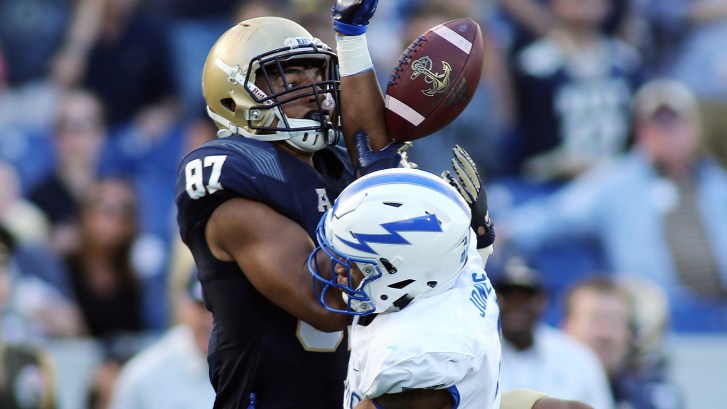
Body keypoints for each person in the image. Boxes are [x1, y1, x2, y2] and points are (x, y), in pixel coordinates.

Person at [174, 3, 403, 407]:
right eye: (290, 77)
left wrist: (350, 39)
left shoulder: (337, 163)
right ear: (235, 95)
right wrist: (402, 223)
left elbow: (371, 148)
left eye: (317, 74)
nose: (314, 91)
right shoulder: (234, 176)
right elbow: (329, 299)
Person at [495, 78, 727, 331]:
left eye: (673, 123)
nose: (665, 133)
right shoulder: (615, 183)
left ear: (694, 128)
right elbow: (556, 215)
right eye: (656, 123)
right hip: (656, 320)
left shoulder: (717, 183)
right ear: (640, 131)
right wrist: (505, 230)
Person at [308, 167, 501, 408]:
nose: (337, 269)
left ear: (396, 271)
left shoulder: (414, 354)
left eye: (353, 262)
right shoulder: (449, 259)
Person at [491, 256, 615, 409]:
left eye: (525, 296)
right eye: (508, 296)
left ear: (543, 301)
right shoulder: (474, 353)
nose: (516, 305)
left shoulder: (577, 357)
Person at [562, 276, 683, 408]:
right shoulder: (543, 385)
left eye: (615, 321)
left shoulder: (653, 395)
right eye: (594, 319)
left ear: (630, 332)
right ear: (567, 326)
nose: (605, 334)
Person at [108, 271, 214, 409]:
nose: (211, 320)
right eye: (203, 307)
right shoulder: (145, 377)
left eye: (223, 308)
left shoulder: (248, 366)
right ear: (184, 307)